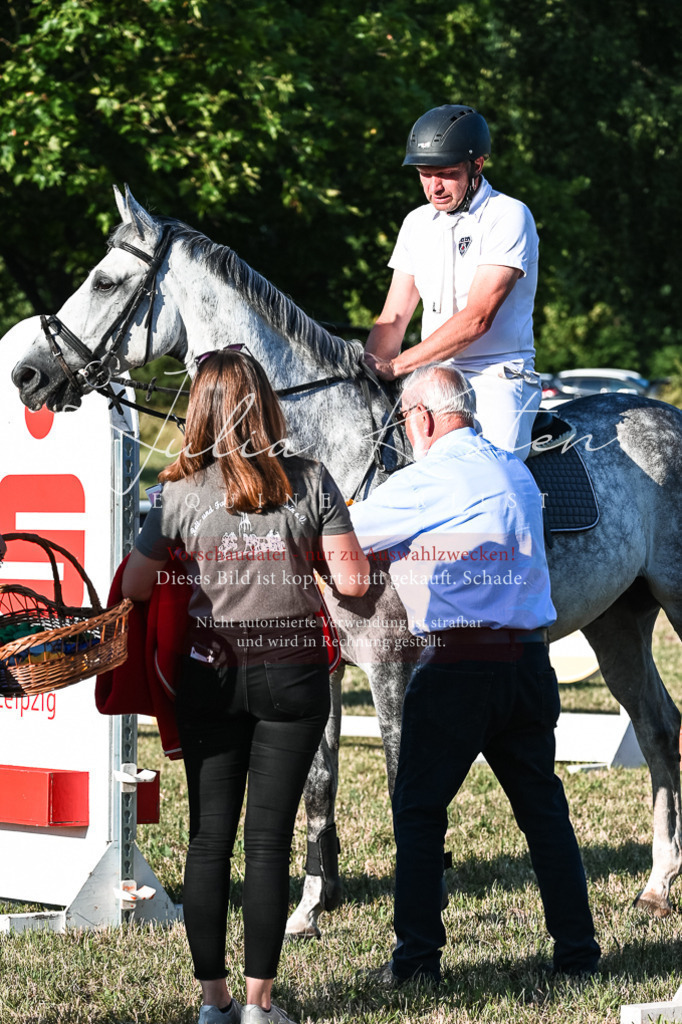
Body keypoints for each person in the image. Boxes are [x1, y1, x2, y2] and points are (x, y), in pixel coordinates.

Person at [122, 349, 370, 1024]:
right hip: (292, 675)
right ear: (264, 407)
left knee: (208, 841)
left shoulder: (174, 494)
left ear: (197, 411)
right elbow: (352, 583)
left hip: (210, 675)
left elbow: (139, 586)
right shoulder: (312, 480)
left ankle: (215, 1005)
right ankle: (260, 1007)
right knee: (268, 844)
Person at [348, 364, 600, 985]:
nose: (405, 432)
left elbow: (343, 537)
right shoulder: (512, 466)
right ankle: (577, 953)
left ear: (424, 418)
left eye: (406, 419)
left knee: (418, 810)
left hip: (459, 664)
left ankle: (416, 962)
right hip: (529, 663)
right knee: (543, 811)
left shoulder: (427, 478)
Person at [363, 104, 541, 460]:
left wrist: (397, 367)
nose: (434, 187)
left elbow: (478, 318)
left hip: (496, 376)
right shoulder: (416, 223)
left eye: (445, 173)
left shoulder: (508, 216)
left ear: (477, 165)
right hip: (432, 375)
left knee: (492, 469)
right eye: (424, 175)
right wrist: (369, 372)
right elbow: (394, 318)